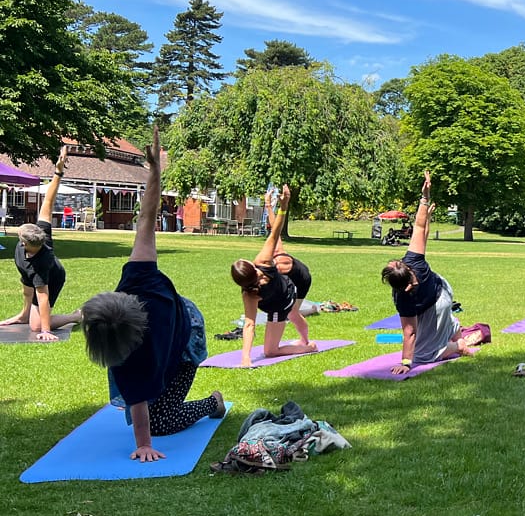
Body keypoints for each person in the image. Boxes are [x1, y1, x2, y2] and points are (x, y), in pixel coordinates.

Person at [78, 127, 224, 462]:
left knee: (159, 421)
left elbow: (140, 404)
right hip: (176, 318)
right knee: (141, 403)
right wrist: (156, 173)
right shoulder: (137, 276)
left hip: (187, 336)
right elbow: (146, 216)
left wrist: (144, 443)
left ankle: (212, 403)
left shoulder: (131, 357)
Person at [381, 171, 481, 373]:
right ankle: (452, 327)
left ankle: (457, 345)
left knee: (424, 355)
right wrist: (425, 198)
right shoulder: (412, 261)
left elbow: (409, 332)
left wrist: (406, 363)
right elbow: (419, 229)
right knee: (428, 324)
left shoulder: (403, 297)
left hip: (438, 303)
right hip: (443, 290)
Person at [229, 185, 317, 368]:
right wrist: (246, 357)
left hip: (284, 299)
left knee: (270, 351)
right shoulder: (252, 288)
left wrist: (277, 207)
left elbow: (275, 234)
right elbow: (249, 324)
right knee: (271, 347)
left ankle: (307, 347)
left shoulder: (262, 266)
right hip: (279, 295)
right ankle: (305, 342)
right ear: (251, 267)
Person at [1, 147, 81, 341]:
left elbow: (43, 296)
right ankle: (24, 314)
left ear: (24, 243)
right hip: (30, 275)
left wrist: (45, 330)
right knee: (26, 289)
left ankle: (78, 316)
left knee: (35, 325)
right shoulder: (40, 232)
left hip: (53, 276)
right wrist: (58, 172)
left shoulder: (40, 265)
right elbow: (48, 200)